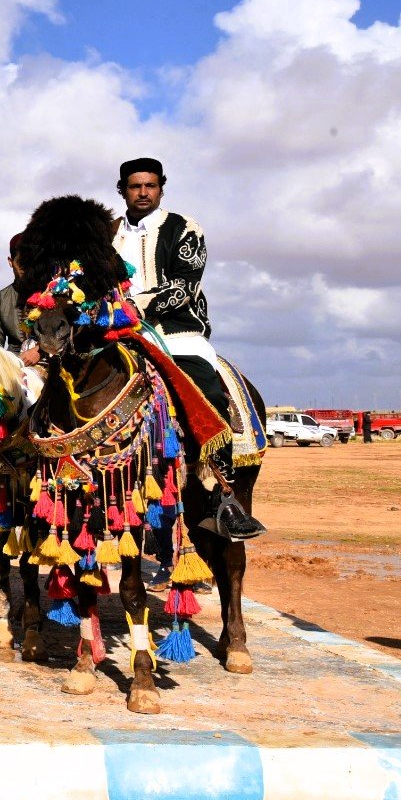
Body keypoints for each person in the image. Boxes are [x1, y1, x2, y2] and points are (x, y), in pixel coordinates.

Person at [111, 158, 265, 555]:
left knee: (206, 386)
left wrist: (135, 305)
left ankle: (223, 493)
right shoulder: (107, 235)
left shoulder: (185, 228)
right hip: (117, 334)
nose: (142, 192)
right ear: (122, 190)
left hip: (176, 331)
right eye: (134, 186)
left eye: (150, 186)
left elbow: (184, 285)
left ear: (161, 188)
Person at [0, 233, 29, 354]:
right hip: (13, 364)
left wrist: (39, 351)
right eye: (21, 262)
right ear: (10, 262)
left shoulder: (52, 292)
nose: (26, 268)